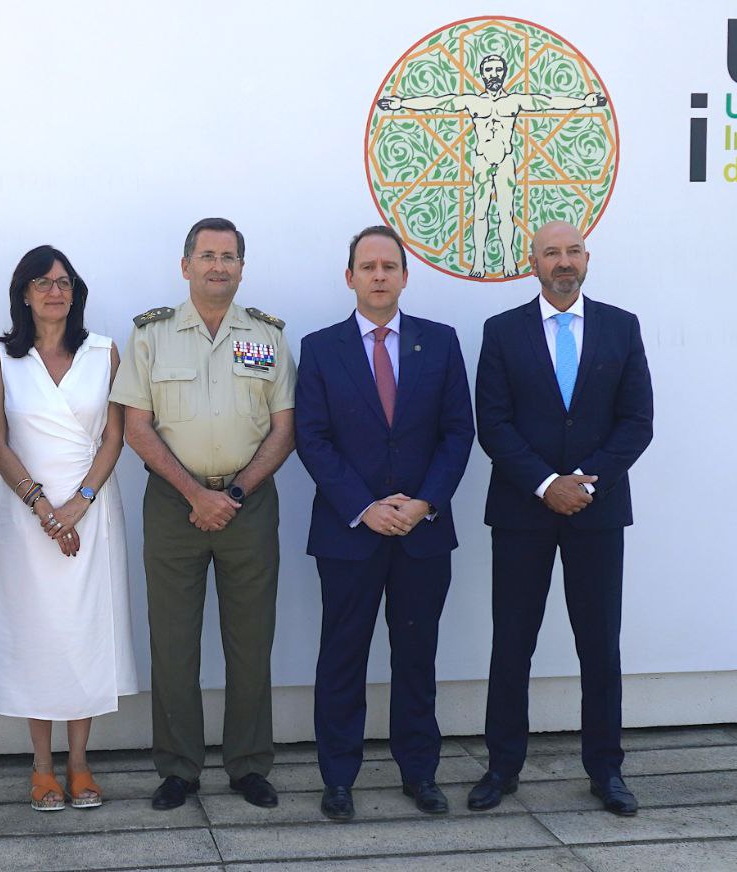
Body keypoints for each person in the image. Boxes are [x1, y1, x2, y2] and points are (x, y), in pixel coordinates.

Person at [111, 217, 296, 811]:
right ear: (185, 264)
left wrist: (234, 493)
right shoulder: (151, 335)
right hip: (173, 504)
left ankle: (247, 765)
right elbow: (135, 426)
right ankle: (178, 768)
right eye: (207, 255)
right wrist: (195, 494)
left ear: (243, 266)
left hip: (249, 501)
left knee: (251, 639)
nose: (219, 266)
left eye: (230, 256)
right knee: (173, 641)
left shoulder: (266, 336)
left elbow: (285, 428)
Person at [471, 220, 653, 815]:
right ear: (533, 263)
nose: (564, 261)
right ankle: (501, 768)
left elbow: (637, 422)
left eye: (573, 251)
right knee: (512, 644)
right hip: (524, 511)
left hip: (597, 513)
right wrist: (548, 484)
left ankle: (606, 770)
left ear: (588, 257)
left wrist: (585, 484)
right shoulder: (502, 332)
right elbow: (492, 423)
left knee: (599, 646)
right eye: (552, 253)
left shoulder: (622, 327)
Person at [295, 226, 474, 822]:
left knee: (416, 655)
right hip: (350, 532)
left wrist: (424, 503)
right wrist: (364, 507)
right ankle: (338, 778)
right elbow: (312, 439)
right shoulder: (320, 348)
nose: (378, 275)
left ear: (404, 275)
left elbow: (458, 433)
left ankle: (420, 773)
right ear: (349, 277)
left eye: (389, 266)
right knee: (342, 656)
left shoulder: (441, 343)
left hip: (423, 532)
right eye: (367, 266)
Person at [0, 245, 139, 812]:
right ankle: (41, 767)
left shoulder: (104, 353)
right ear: (23, 293)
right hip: (25, 520)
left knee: (83, 633)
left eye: (64, 282)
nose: (55, 291)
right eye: (43, 282)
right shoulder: (0, 358)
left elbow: (114, 437)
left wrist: (79, 503)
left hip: (92, 512)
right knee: (36, 635)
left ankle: (79, 764)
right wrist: (41, 506)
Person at [377, 55, 606, 278]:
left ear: (504, 73)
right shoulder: (473, 101)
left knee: (506, 213)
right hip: (482, 160)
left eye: (498, 70)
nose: (493, 74)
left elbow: (548, 102)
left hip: (505, 160)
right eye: (489, 70)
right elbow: (438, 103)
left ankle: (508, 259)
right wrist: (401, 103)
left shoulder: (514, 101)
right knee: (480, 213)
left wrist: (585, 102)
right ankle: (478, 261)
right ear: (482, 74)